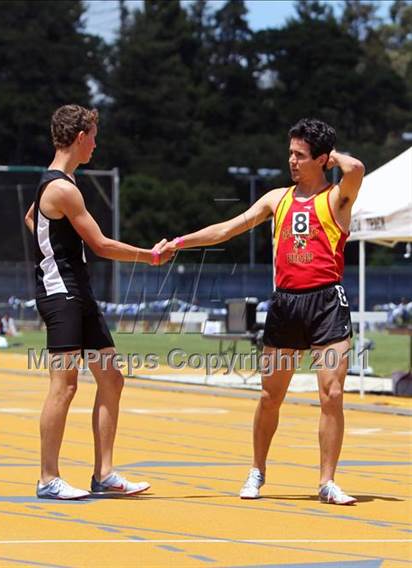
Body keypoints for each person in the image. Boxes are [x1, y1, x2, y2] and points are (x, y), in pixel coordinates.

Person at [161, 118, 365, 505]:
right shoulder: (276, 199)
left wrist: (333, 154)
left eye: (300, 155)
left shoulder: (339, 197)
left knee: (332, 393)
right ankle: (257, 469)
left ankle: (327, 481)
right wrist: (180, 242)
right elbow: (228, 228)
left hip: (326, 302)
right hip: (286, 303)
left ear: (321, 159)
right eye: (290, 152)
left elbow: (356, 169)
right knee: (271, 396)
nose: (291, 160)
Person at [25, 104, 173, 499]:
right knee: (64, 385)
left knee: (111, 378)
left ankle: (104, 473)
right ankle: (47, 478)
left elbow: (31, 219)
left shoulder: (55, 184)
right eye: (93, 135)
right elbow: (103, 245)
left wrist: (51, 246)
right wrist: (151, 256)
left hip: (78, 291)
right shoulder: (61, 188)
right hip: (62, 294)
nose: (96, 143)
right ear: (79, 137)